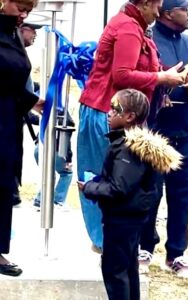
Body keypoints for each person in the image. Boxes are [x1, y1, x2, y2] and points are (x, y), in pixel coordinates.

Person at [77, 0, 185, 254]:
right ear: (145, 3)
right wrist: (160, 78)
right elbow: (122, 75)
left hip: (116, 113)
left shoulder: (134, 26)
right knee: (107, 179)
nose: (159, 11)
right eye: (157, 5)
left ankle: (111, 243)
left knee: (120, 180)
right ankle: (107, 243)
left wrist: (161, 81)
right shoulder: (127, 27)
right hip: (106, 113)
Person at [78, 89, 182, 300]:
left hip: (121, 219)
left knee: (115, 271)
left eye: (115, 109)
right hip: (130, 218)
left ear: (129, 116)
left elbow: (119, 188)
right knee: (128, 269)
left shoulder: (127, 149)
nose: (108, 113)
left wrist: (89, 187)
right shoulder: (130, 146)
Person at [138, 0, 188, 278]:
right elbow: (138, 77)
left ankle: (177, 254)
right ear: (168, 13)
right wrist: (159, 92)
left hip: (186, 133)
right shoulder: (147, 39)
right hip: (155, 133)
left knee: (182, 197)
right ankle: (145, 247)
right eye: (185, 8)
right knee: (151, 194)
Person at [0, 0, 43, 277]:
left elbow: (12, 80)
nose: (25, 13)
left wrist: (33, 100)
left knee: (4, 186)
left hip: (7, 121)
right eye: (21, 6)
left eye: (29, 8)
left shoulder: (13, 32)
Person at [11, 22, 42, 207]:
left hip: (17, 117)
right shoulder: (12, 54)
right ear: (21, 28)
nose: (35, 34)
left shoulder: (19, 53)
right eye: (33, 30)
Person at [32, 111, 75, 211]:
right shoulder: (66, 121)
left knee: (48, 174)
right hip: (54, 149)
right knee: (67, 173)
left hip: (39, 149)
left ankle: (39, 200)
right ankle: (58, 200)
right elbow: (66, 142)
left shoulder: (48, 114)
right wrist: (69, 159)